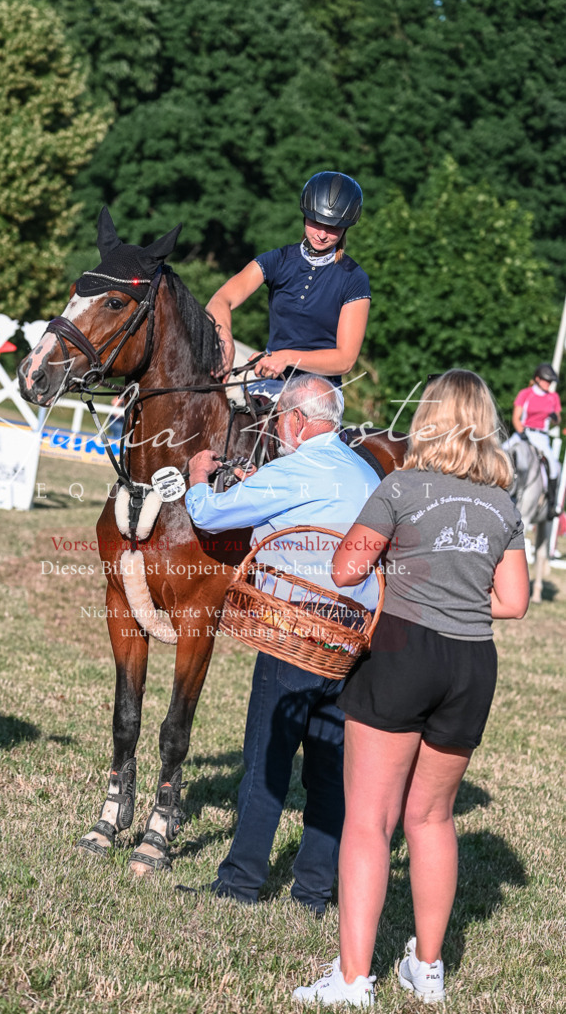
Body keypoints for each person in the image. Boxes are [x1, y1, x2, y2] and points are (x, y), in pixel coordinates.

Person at [293, 370, 529, 1006]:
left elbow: (346, 569)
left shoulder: (401, 487)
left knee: (369, 821)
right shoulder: (503, 505)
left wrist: (401, 585)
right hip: (471, 663)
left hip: (401, 652)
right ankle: (428, 969)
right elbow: (514, 602)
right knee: (433, 818)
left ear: (427, 417)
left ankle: (352, 979)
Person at [182, 374, 380, 916]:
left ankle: (241, 881)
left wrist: (200, 477)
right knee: (327, 771)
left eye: (279, 421)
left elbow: (209, 514)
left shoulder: (294, 468)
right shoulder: (365, 472)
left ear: (295, 420)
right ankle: (313, 893)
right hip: (350, 641)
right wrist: (260, 485)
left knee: (266, 760)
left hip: (292, 633)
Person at [206, 171, 369, 395]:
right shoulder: (278, 259)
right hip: (270, 382)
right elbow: (221, 299)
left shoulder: (354, 277)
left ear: (346, 228)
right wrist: (225, 341)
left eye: (333, 227)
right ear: (304, 216)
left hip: (320, 391)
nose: (322, 234)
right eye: (316, 222)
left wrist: (287, 357)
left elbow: (345, 360)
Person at [511, 362, 562, 518]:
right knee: (500, 452)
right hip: (524, 433)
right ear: (538, 379)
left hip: (541, 436)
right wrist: (522, 432)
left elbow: (558, 420)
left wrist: (555, 417)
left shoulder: (553, 397)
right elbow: (516, 418)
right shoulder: (525, 393)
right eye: (546, 380)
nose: (548, 384)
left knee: (553, 467)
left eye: (550, 382)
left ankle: (551, 505)